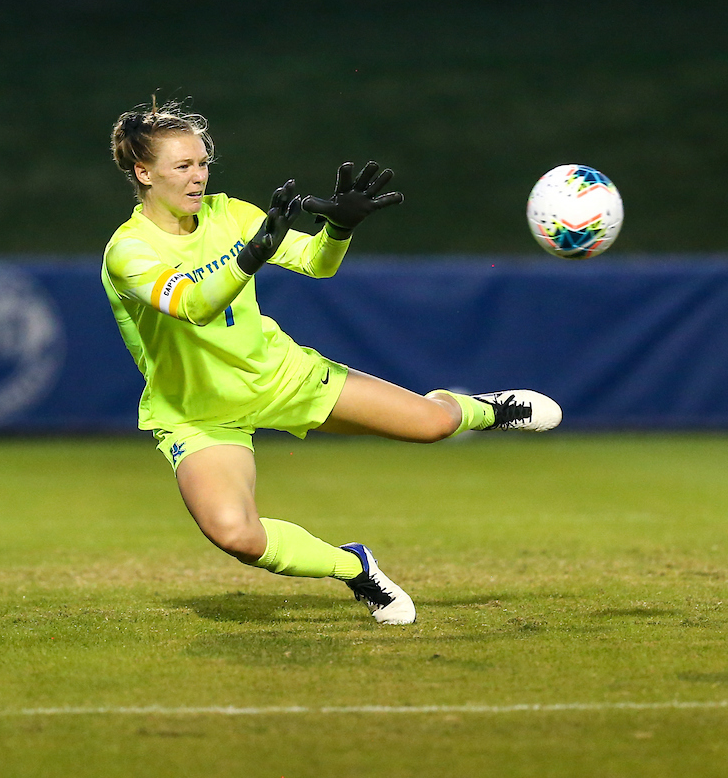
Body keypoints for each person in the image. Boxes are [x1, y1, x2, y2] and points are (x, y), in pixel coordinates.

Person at [101, 100, 560, 625]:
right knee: (237, 535)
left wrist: (339, 230)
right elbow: (193, 306)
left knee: (433, 425)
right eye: (182, 166)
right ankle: (354, 568)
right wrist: (249, 256)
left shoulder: (231, 213)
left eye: (203, 163)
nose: (198, 176)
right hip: (198, 412)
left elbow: (317, 264)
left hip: (280, 376)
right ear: (144, 172)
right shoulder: (129, 250)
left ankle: (490, 409)